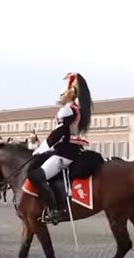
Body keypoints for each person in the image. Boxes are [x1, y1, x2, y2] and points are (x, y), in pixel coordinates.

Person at [27, 73, 93, 224]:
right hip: (68, 149)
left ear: (69, 94)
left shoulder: (67, 110)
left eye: (62, 93)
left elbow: (59, 132)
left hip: (65, 152)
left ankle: (55, 209)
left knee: (36, 176)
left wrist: (43, 147)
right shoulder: (75, 109)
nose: (60, 96)